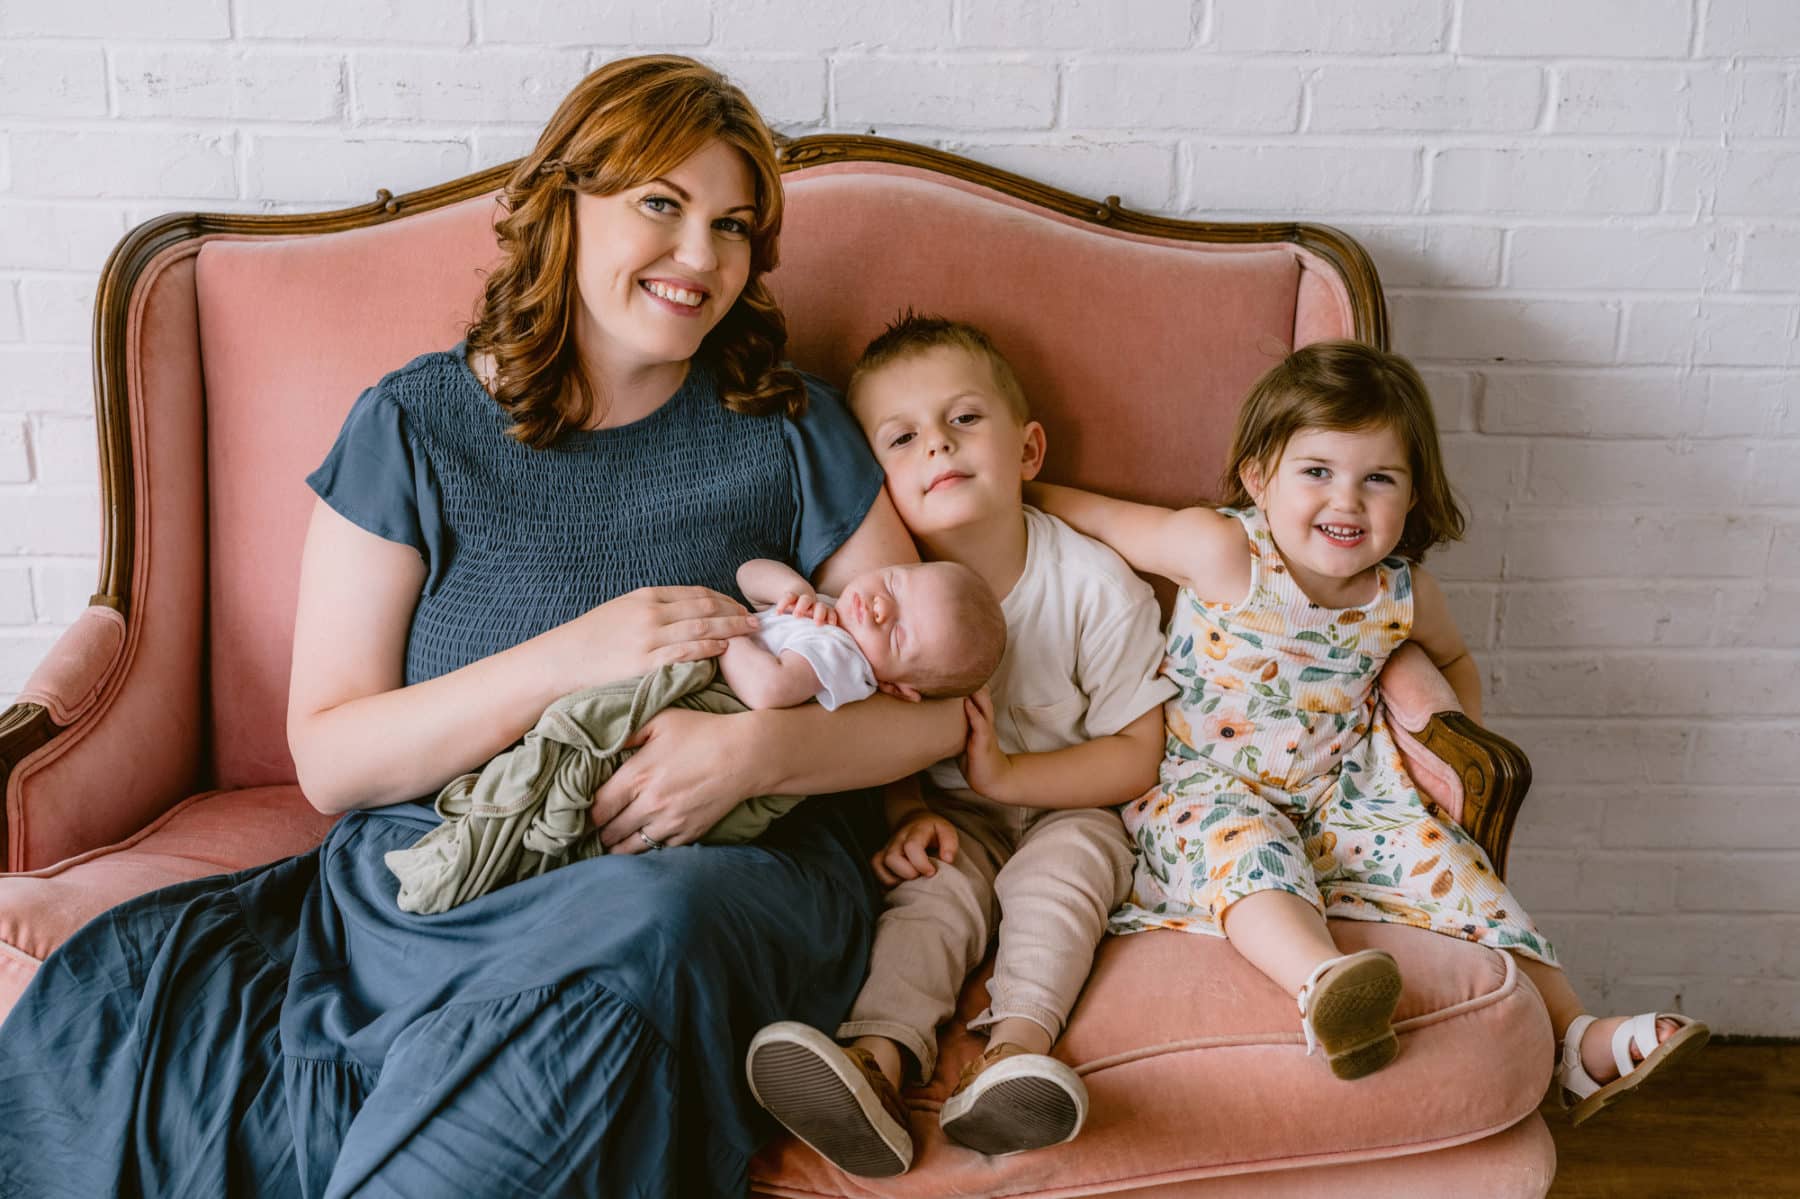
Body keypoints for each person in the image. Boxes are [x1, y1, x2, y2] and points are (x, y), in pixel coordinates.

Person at [0, 55, 969, 1198]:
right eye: (661, 204)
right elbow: (332, 758)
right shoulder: (412, 425)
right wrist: (577, 653)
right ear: (564, 204)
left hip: (715, 876)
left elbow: (937, 712)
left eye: (733, 225)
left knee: (651, 923)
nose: (702, 255)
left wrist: (758, 751)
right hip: (446, 878)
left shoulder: (791, 425)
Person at [1027, 339, 1708, 1120]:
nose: (1346, 501)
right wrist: (1014, 488)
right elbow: (1099, 517)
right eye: (1317, 471)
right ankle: (1324, 982)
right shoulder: (1221, 550)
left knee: (1451, 864)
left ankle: (1577, 1035)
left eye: (1378, 478)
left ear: (1413, 496)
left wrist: (1452, 742)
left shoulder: (1403, 594)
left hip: (1340, 793)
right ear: (1259, 477)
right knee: (1246, 851)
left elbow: (1454, 659)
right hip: (1202, 786)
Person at [746, 316, 1175, 1176]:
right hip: (954, 815)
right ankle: (875, 1063)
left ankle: (1014, 1055)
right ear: (875, 483)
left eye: (965, 418)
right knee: (928, 899)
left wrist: (1014, 776)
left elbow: (1139, 752)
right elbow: (863, 729)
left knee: (1066, 875)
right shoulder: (871, 601)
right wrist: (906, 812)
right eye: (903, 437)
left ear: (1029, 449)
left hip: (1072, 804)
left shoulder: (1093, 586)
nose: (938, 443)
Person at [721, 556, 1005, 711]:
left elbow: (769, 689)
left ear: (895, 688)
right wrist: (792, 589)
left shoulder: (845, 659)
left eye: (898, 636)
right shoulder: (827, 608)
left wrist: (728, 632)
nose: (881, 607)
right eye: (893, 585)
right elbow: (746, 574)